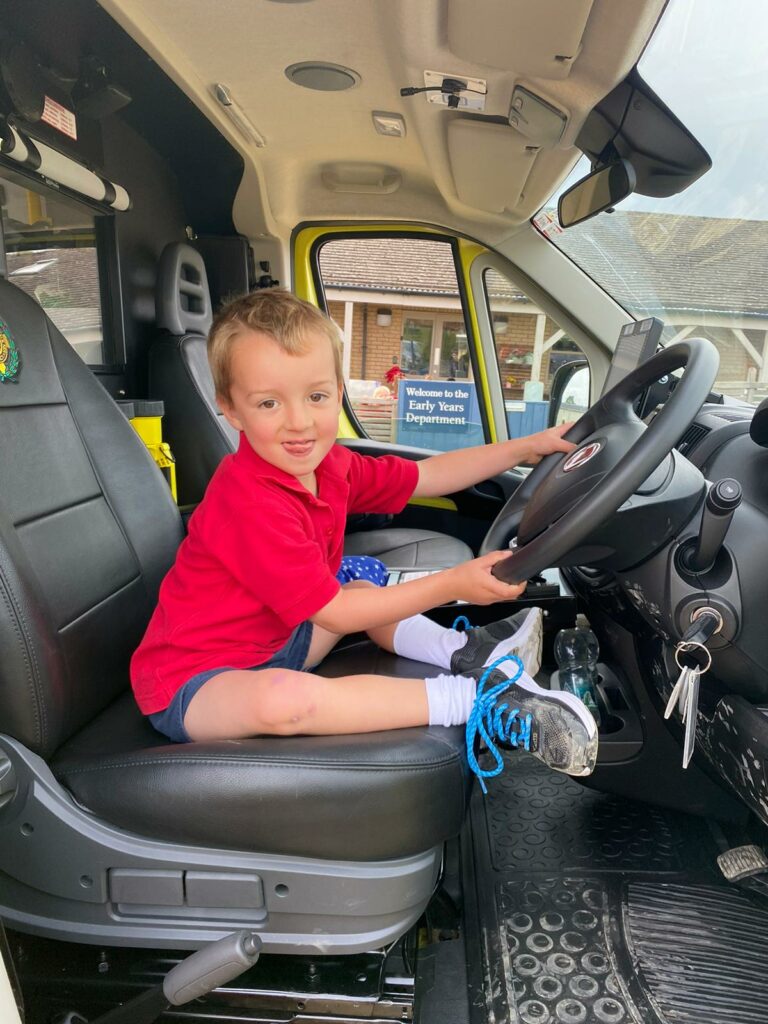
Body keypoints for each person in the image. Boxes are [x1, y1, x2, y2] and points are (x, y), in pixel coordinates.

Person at [130, 290, 598, 785]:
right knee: (283, 700)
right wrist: (451, 583)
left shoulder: (329, 465)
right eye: (269, 403)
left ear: (338, 391)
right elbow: (333, 615)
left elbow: (428, 477)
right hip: (193, 681)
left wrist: (527, 446)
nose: (299, 422)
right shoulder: (246, 501)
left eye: (316, 397)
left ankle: (470, 652)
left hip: (279, 641)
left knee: (361, 590)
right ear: (231, 409)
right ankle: (479, 698)